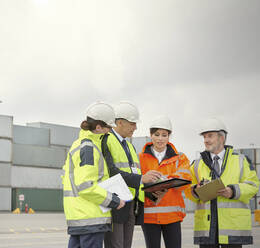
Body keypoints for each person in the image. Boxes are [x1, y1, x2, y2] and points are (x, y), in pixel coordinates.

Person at [186, 117, 259, 248]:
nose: (206, 140)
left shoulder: (241, 160)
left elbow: (253, 185)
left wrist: (233, 191)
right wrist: (195, 190)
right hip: (207, 228)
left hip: (232, 227)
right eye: (204, 137)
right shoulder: (196, 164)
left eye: (210, 136)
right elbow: (187, 190)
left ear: (221, 138)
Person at [62, 101, 126, 248]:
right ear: (98, 127)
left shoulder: (79, 144)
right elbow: (86, 186)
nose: (110, 131)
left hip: (80, 216)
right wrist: (114, 201)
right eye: (108, 127)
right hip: (90, 218)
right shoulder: (89, 148)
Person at [102, 101, 162, 248]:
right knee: (115, 245)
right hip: (115, 205)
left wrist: (151, 193)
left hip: (130, 205)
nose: (135, 127)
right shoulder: (106, 140)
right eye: (133, 123)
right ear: (120, 122)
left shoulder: (129, 145)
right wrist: (142, 178)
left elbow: (134, 174)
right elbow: (111, 172)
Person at [139, 115, 192, 248]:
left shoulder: (180, 158)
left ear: (169, 136)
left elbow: (185, 178)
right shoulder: (140, 158)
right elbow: (136, 182)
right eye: (157, 134)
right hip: (149, 216)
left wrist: (163, 181)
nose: (160, 139)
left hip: (172, 216)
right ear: (151, 135)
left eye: (164, 135)